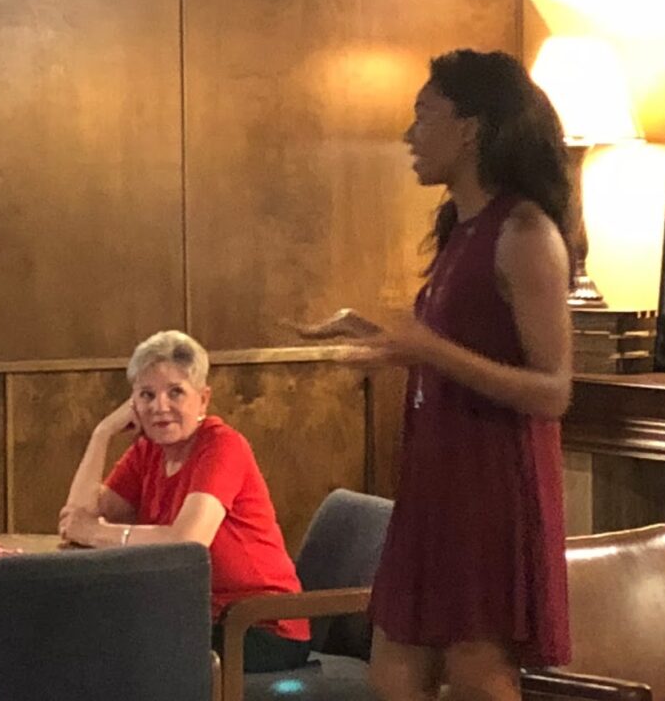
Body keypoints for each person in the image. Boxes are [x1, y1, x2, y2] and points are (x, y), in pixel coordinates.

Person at [296, 50, 573, 701]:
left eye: (424, 115)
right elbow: (452, 344)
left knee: (478, 673)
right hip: (435, 478)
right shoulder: (460, 230)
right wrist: (373, 332)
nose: (408, 134)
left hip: (490, 483)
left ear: (470, 128)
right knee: (393, 667)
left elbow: (554, 390)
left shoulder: (524, 232)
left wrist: (429, 349)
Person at [59, 329, 311, 673]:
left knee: (108, 653)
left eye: (175, 392)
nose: (159, 407)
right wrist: (101, 434)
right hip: (192, 617)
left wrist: (93, 533)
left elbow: (187, 543)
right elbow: (77, 515)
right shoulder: (148, 450)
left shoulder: (222, 446)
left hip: (256, 626)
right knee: (78, 636)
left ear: (203, 399)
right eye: (147, 395)